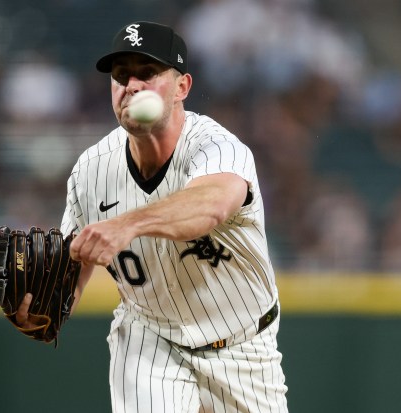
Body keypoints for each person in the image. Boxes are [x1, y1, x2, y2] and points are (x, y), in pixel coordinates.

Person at [17, 21, 289, 412]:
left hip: (242, 343)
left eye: (147, 73)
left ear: (182, 87)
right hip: (150, 338)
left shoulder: (218, 147)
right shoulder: (91, 170)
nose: (131, 85)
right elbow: (72, 270)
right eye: (120, 75)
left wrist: (127, 223)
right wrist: (44, 308)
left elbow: (210, 204)